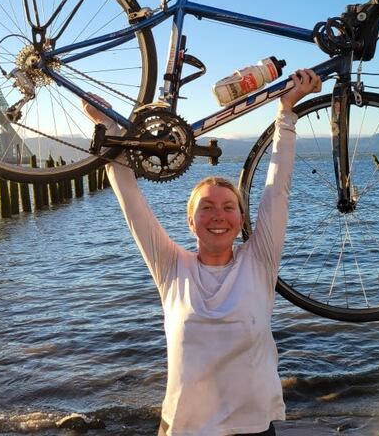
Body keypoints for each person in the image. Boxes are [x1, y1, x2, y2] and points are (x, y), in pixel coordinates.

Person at [82, 69, 322, 436]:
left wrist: (286, 114)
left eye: (228, 207)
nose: (218, 216)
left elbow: (277, 190)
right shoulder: (171, 267)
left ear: (241, 219)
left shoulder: (259, 261)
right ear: (191, 221)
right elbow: (130, 200)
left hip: (253, 428)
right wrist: (108, 127)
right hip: (184, 427)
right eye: (206, 208)